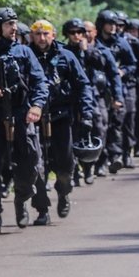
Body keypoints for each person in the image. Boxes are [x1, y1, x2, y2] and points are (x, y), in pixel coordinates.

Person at [0, 8, 49, 234]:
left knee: (31, 165)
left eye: (15, 23)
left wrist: (36, 106)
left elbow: (39, 82)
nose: (14, 28)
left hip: (21, 115)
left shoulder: (25, 52)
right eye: (9, 24)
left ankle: (22, 197)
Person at [28, 20, 93, 225]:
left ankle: (64, 192)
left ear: (53, 35)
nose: (42, 38)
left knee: (65, 166)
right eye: (37, 34)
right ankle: (42, 209)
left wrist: (87, 113)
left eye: (45, 33)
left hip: (61, 117)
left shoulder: (66, 56)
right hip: (34, 118)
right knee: (37, 166)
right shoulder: (25, 55)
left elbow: (83, 85)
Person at [63, 18, 123, 185]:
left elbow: (108, 69)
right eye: (73, 33)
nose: (77, 36)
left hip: (95, 97)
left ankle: (92, 165)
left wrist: (86, 51)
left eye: (80, 32)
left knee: (98, 128)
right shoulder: (63, 51)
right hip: (70, 98)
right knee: (71, 133)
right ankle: (75, 170)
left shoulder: (97, 51)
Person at [96, 9, 139, 172]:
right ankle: (102, 160)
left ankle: (123, 154)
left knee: (123, 123)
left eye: (116, 24)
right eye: (110, 24)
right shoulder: (95, 43)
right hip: (101, 90)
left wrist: (123, 71)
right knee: (103, 124)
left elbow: (134, 65)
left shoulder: (123, 43)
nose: (113, 27)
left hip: (123, 88)